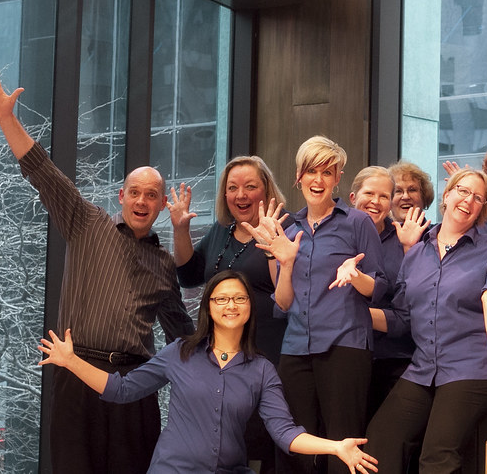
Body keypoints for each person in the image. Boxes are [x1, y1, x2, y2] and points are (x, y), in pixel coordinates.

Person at [0, 70, 194, 474]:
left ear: (163, 204)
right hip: (75, 371)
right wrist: (6, 118)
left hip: (134, 385)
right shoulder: (87, 222)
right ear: (121, 196)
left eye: (152, 195)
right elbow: (42, 171)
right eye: (135, 192)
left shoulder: (164, 264)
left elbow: (183, 335)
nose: (142, 201)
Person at [37, 270, 379, 474]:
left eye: (239, 299)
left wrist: (335, 447)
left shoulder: (262, 370)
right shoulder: (180, 352)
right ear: (208, 308)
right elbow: (121, 389)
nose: (231, 305)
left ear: (250, 307)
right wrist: (71, 361)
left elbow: (285, 433)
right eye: (221, 299)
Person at [363, 169, 487, 474]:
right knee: (381, 439)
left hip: (472, 368)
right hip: (423, 368)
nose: (468, 200)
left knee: (436, 456)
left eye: (478, 198)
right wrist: (355, 314)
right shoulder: (416, 253)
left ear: (483, 208)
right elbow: (403, 319)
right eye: (463, 191)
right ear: (447, 195)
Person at [251, 135, 384, 474]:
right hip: (296, 348)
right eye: (311, 171)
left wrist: (355, 276)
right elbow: (283, 303)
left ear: (338, 178)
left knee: (344, 446)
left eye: (327, 172)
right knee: (294, 446)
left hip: (345, 345)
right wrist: (285, 262)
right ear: (299, 176)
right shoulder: (287, 229)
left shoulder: (357, 222)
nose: (318, 180)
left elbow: (380, 287)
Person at [170, 156, 289, 473]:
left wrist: (273, 244)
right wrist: (180, 229)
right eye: (233, 188)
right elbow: (189, 276)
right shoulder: (221, 231)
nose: (241, 195)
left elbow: (287, 297)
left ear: (266, 190)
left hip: (267, 356)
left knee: (264, 445)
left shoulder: (283, 227)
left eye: (250, 186)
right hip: (222, 360)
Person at [348, 166, 426, 417]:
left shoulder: (405, 239)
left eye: (383, 196)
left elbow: (409, 310)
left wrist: (348, 314)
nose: (375, 201)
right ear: (353, 198)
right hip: (342, 353)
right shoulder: (336, 236)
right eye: (369, 194)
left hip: (394, 356)